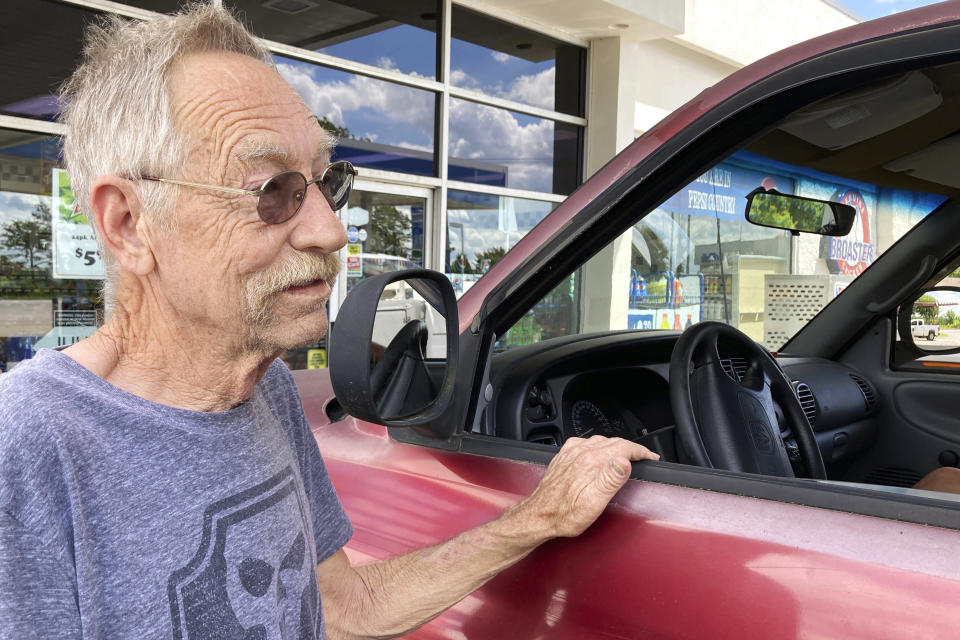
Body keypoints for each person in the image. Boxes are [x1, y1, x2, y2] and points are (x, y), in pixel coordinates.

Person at [0, 4, 658, 639]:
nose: (331, 230)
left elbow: (344, 609)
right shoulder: (26, 446)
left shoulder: (266, 391)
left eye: (325, 182)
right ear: (129, 224)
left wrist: (537, 519)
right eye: (271, 192)